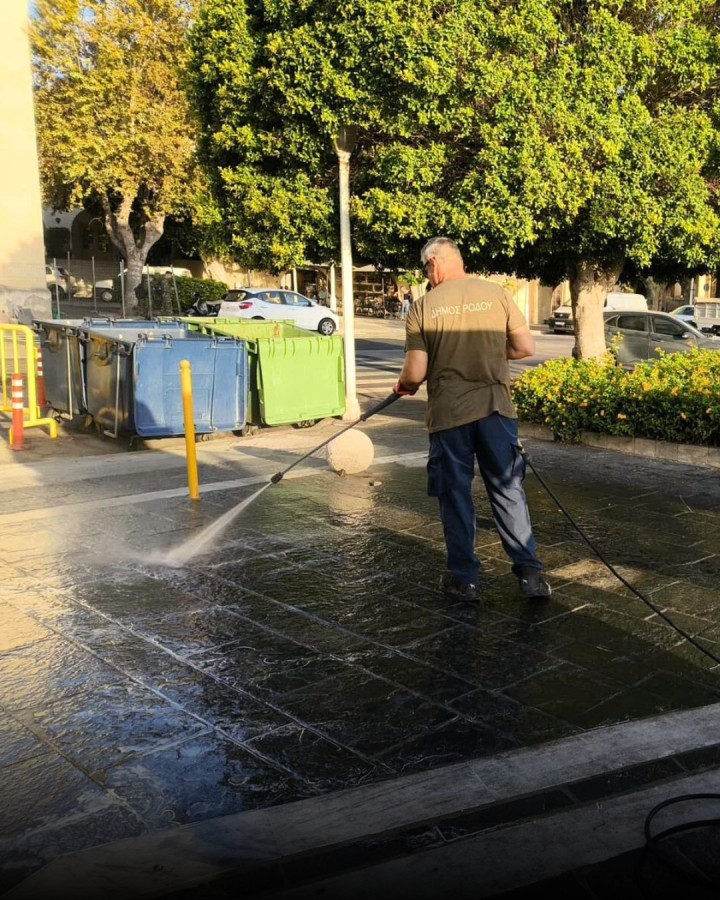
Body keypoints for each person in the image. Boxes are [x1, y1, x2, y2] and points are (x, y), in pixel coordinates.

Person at [393, 236, 551, 603]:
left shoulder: (423, 307)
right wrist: (489, 355)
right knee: (507, 489)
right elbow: (525, 347)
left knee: (455, 494)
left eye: (425, 269)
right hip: (497, 410)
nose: (426, 275)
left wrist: (404, 385)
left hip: (449, 415)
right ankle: (530, 575)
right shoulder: (497, 294)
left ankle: (465, 581)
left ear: (434, 263)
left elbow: (415, 372)